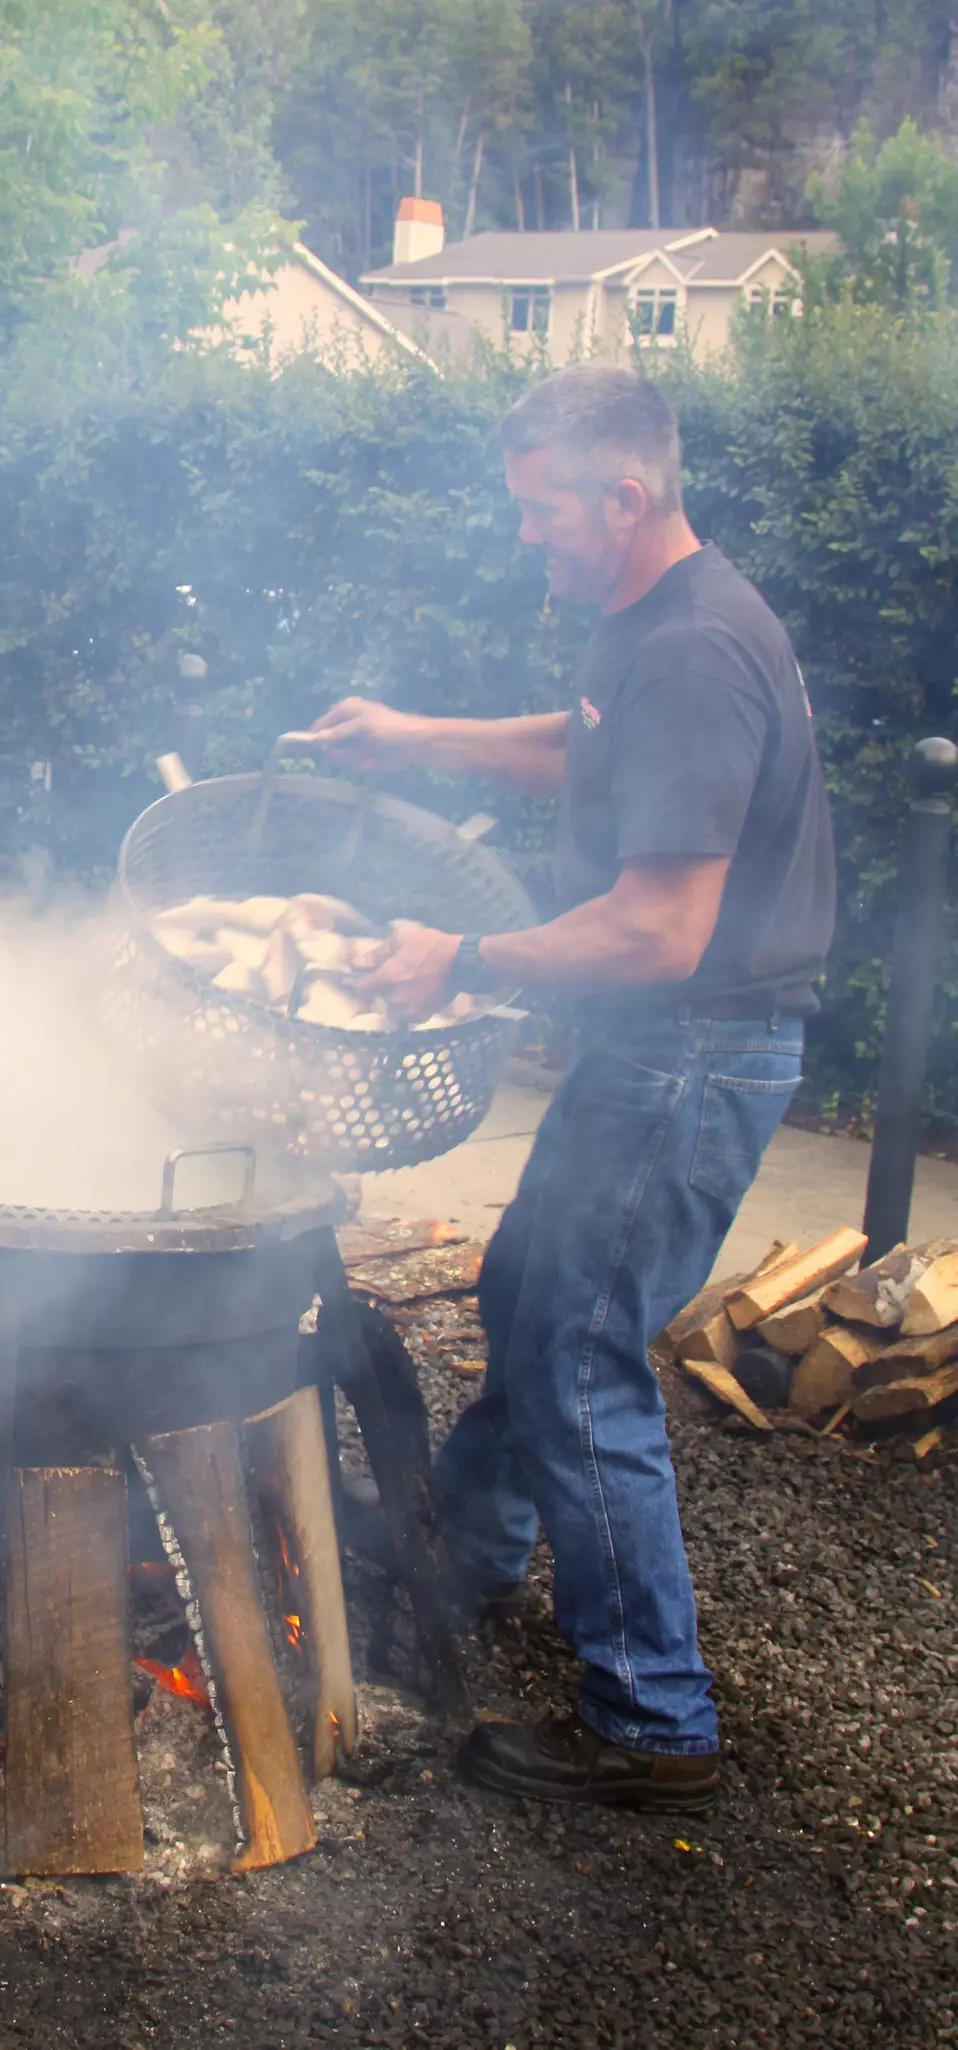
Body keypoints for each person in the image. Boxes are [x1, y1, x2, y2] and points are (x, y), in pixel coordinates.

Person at [309, 362, 835, 1812]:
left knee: (579, 1355)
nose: (524, 536)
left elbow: (660, 927)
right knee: (526, 1294)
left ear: (622, 495)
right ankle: (464, 1560)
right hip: (650, 1051)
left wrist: (461, 953)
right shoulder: (642, 622)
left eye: (541, 512)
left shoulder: (690, 651)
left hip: (687, 1056)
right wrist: (408, 735)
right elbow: (575, 747)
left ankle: (651, 1720)